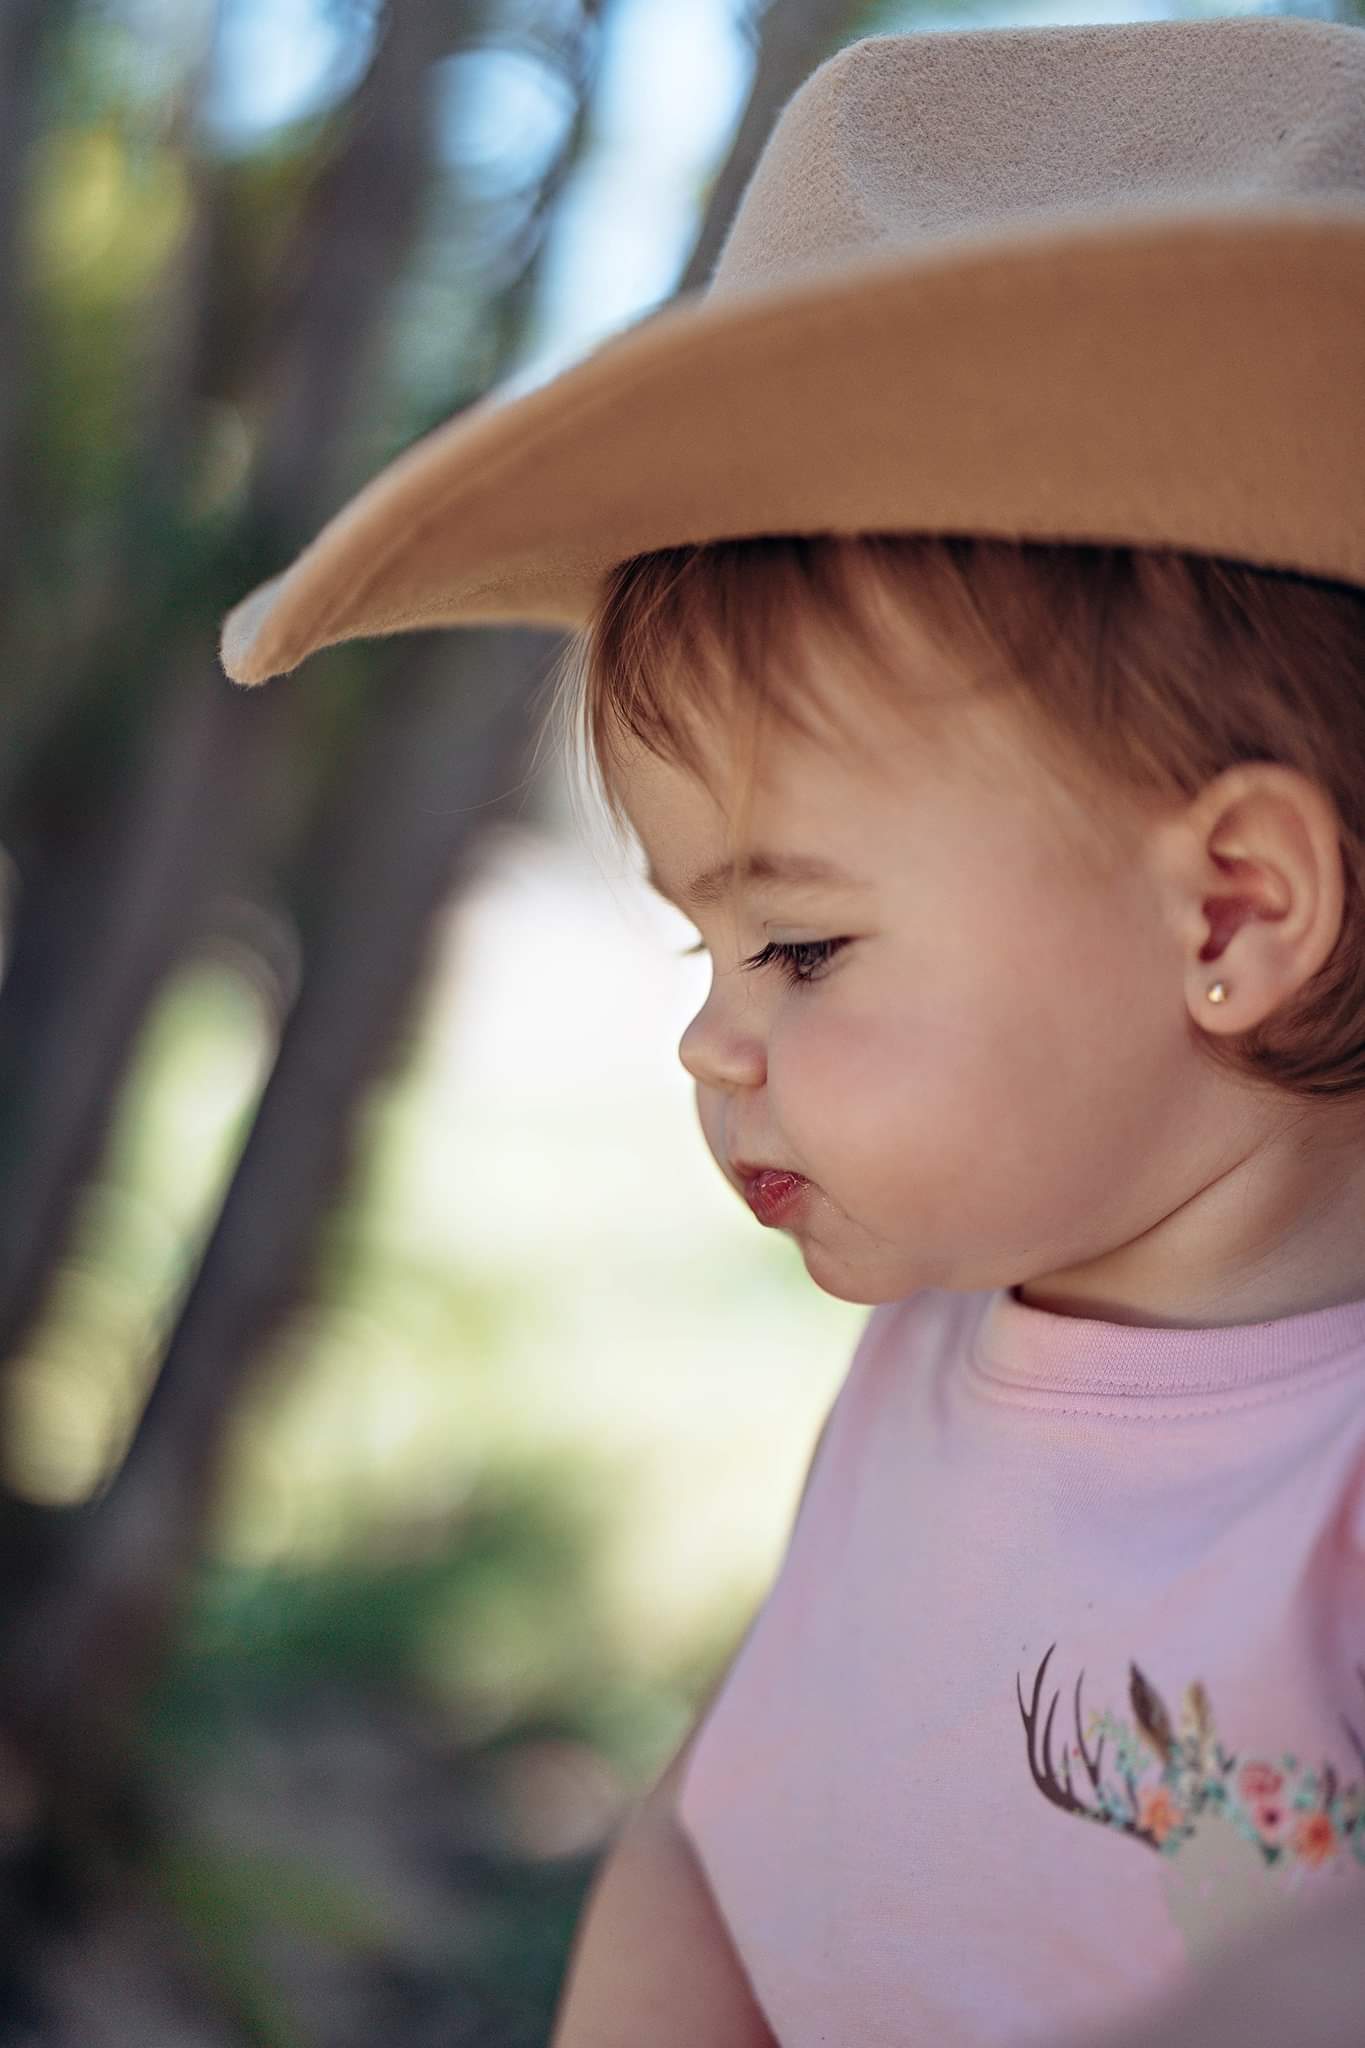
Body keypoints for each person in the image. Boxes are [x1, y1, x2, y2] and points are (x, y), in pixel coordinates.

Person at [218, 13, 1365, 2045]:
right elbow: (725, 1824)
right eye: (700, 954)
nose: (710, 1049)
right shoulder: (930, 1369)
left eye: (802, 951)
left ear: (1233, 908)